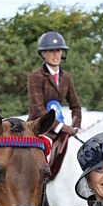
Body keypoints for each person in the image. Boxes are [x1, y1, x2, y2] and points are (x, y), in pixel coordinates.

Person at [27, 31, 82, 177]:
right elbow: (38, 109)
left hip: (60, 128)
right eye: (51, 51)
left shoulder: (66, 77)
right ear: (43, 53)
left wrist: (76, 126)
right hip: (39, 127)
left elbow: (75, 105)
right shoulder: (35, 76)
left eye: (58, 50)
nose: (56, 54)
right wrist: (61, 126)